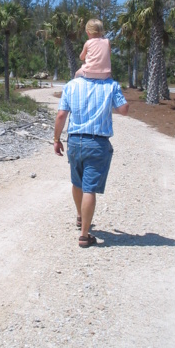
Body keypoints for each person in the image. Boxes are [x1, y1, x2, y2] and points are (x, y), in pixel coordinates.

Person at [53, 76, 129, 248]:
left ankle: (80, 216)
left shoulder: (71, 86)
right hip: (97, 143)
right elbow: (124, 109)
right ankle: (84, 236)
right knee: (89, 188)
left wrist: (56, 139)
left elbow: (61, 115)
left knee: (77, 181)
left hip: (74, 141)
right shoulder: (111, 85)